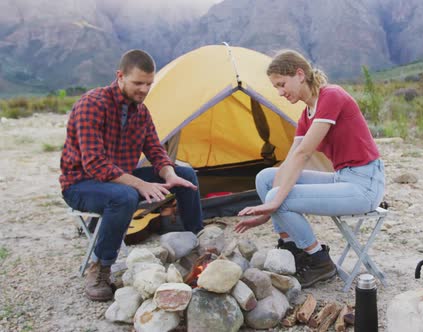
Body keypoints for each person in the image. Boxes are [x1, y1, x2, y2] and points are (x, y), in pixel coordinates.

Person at [60, 49, 203, 301]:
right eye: (138, 83)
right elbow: (95, 164)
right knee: (125, 196)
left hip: (120, 180)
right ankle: (101, 267)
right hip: (81, 184)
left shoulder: (141, 111)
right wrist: (140, 184)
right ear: (120, 76)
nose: (144, 90)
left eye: (149, 84)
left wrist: (168, 174)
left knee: (186, 175)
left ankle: (196, 248)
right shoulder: (91, 104)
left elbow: (156, 151)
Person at [234, 50, 385, 288]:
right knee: (266, 178)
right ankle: (292, 248)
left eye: (282, 85)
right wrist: (267, 213)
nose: (281, 93)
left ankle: (319, 260)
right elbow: (292, 159)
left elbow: (304, 155)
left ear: (300, 74)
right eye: (276, 88)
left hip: (365, 185)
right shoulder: (306, 115)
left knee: (277, 196)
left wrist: (272, 205)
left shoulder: (331, 96)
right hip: (342, 178)